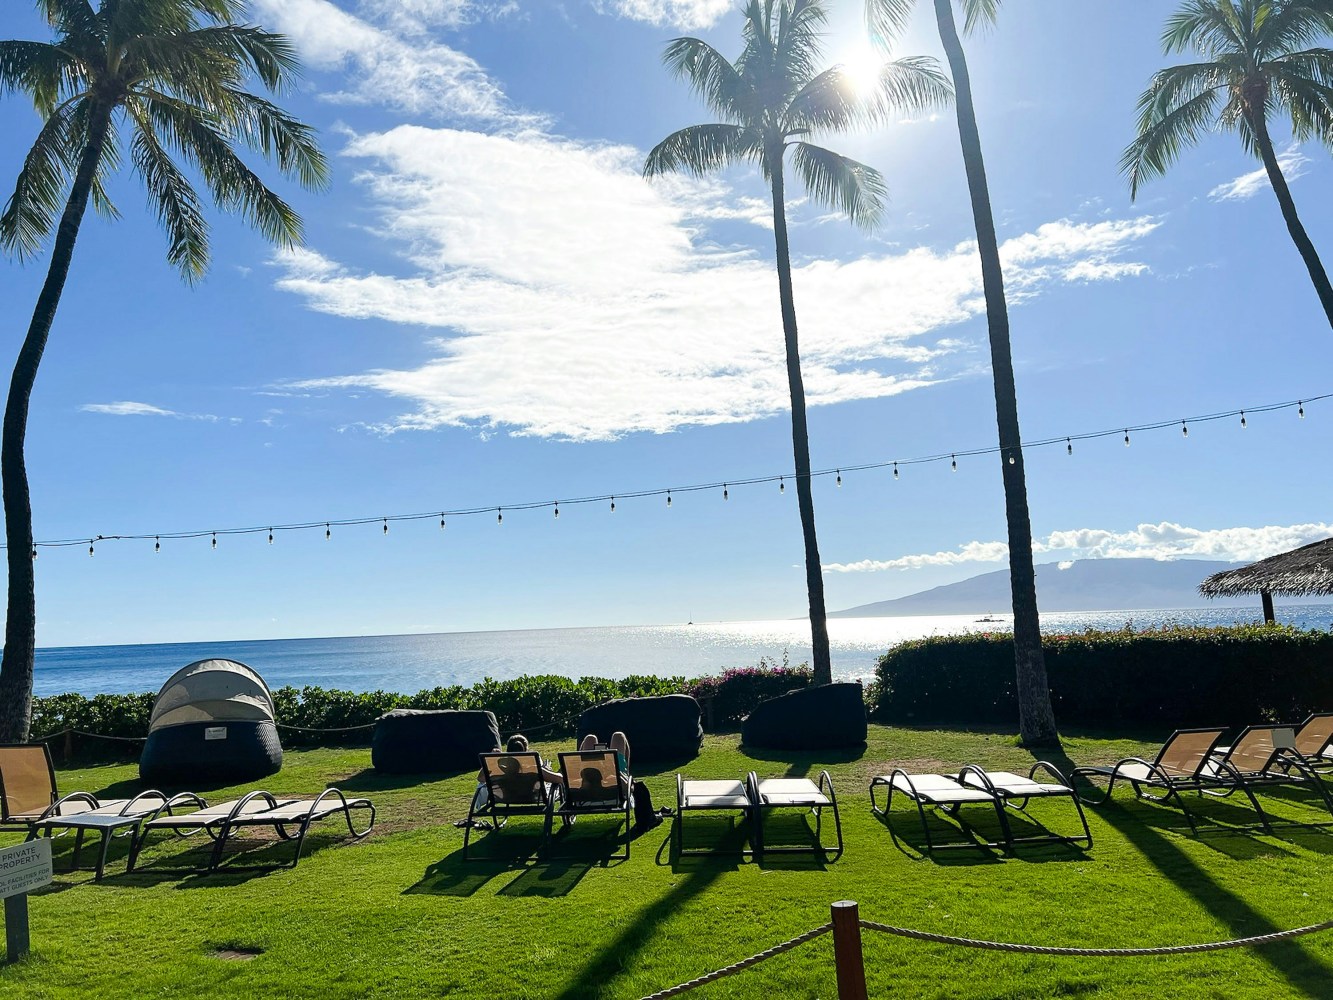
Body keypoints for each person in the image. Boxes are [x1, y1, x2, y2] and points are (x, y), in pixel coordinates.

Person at [472, 734, 561, 811]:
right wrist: (549, 770)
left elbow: (480, 778)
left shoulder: (500, 771)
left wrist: (490, 761)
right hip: (531, 797)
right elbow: (559, 779)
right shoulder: (534, 769)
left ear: (507, 751)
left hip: (508, 797)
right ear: (526, 750)